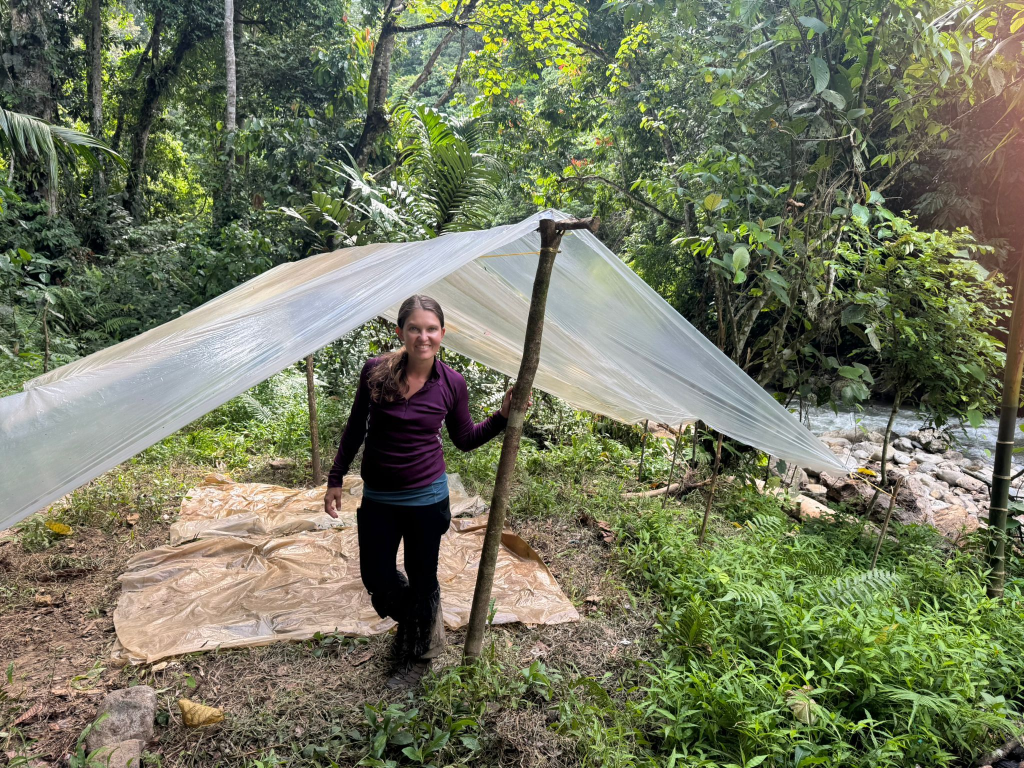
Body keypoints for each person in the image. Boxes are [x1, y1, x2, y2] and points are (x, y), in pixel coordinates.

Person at [323, 294, 523, 690]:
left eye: (431, 329)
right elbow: (355, 429)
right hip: (379, 496)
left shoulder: (452, 383)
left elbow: (464, 439)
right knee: (377, 579)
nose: (423, 336)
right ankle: (422, 622)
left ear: (443, 334)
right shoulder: (375, 371)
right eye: (414, 328)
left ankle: (418, 657)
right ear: (400, 332)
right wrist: (335, 477)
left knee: (422, 576)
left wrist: (501, 417)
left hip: (427, 499)